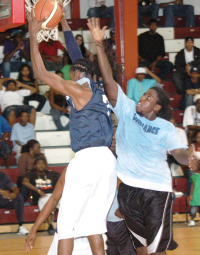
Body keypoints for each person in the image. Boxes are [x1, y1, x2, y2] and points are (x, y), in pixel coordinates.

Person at [87, 17, 199, 255]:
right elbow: (109, 81)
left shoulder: (169, 128)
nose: (142, 98)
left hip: (156, 190)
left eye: (148, 97)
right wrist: (98, 45)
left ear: (157, 107)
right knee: (142, 248)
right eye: (143, 95)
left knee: (157, 249)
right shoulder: (127, 110)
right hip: (128, 190)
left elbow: (178, 153)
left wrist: (188, 159)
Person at [25, 11, 117, 255]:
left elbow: (41, 74)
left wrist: (33, 36)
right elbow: (77, 56)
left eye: (73, 73)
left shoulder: (79, 90)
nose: (69, 74)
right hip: (107, 161)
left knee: (66, 225)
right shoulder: (98, 88)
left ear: (78, 75)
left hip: (87, 159)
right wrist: (65, 23)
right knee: (94, 226)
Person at [106, 126, 136, 255]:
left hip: (125, 220)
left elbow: (137, 190)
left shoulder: (131, 160)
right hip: (105, 221)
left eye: (116, 135)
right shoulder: (100, 159)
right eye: (110, 134)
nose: (113, 138)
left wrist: (124, 207)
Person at [23, 157, 60, 235]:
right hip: (42, 196)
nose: (41, 165)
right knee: (47, 202)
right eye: (39, 164)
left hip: (54, 195)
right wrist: (38, 190)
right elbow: (25, 182)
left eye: (43, 164)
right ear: (35, 166)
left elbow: (61, 184)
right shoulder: (30, 174)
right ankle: (50, 226)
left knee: (65, 202)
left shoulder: (53, 174)